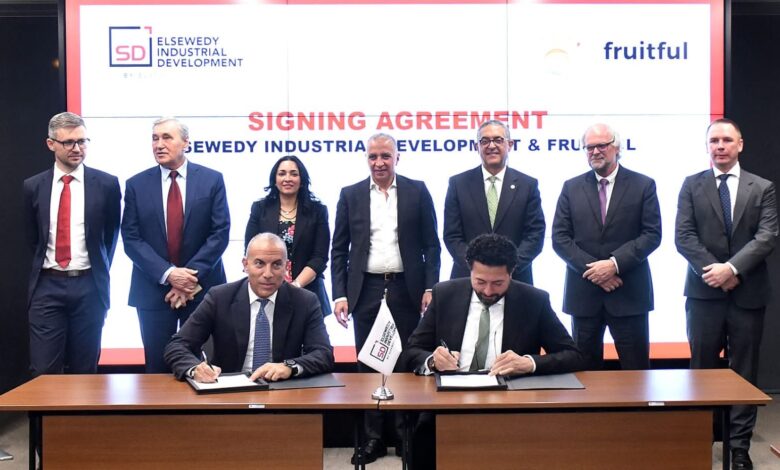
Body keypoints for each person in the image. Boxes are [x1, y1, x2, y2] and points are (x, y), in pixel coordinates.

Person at [403, 233, 584, 468]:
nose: (488, 291)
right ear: (469, 270)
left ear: (511, 273)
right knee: (424, 439)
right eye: (480, 282)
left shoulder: (534, 300)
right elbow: (412, 350)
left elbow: (573, 355)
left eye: (498, 283)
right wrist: (432, 361)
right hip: (449, 403)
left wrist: (529, 363)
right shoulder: (444, 294)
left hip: (510, 404)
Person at [331, 132, 441, 464]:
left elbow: (431, 245)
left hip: (406, 287)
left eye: (385, 156)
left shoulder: (417, 191)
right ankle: (373, 438)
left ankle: (405, 435)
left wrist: (430, 287)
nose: (379, 162)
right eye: (373, 156)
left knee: (405, 361)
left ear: (397, 158)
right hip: (365, 288)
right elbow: (339, 250)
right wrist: (340, 294)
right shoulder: (350, 194)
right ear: (366, 158)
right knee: (369, 363)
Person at [675, 118, 777, 470]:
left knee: (744, 373)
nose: (720, 146)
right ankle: (700, 442)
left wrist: (732, 269)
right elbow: (684, 236)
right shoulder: (691, 185)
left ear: (740, 145)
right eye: (714, 140)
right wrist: (716, 272)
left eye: (727, 140)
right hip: (703, 295)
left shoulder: (762, 187)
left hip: (747, 294)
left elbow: (767, 236)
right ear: (707, 146)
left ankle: (739, 449)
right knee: (702, 370)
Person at [122, 117, 230, 373]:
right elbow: (131, 238)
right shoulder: (136, 184)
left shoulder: (212, 179)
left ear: (186, 143)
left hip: (202, 290)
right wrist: (169, 274)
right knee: (157, 368)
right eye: (155, 138)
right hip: (153, 290)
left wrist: (187, 279)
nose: (159, 144)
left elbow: (220, 233)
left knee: (206, 368)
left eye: (166, 137)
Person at [552, 123, 661, 370]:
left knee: (636, 374)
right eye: (589, 147)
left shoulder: (643, 185)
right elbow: (560, 238)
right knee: (584, 373)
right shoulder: (571, 187)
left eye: (601, 145)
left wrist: (613, 265)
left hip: (628, 292)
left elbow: (651, 235)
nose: (595, 152)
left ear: (617, 147)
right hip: (584, 294)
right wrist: (596, 271)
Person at [24, 111, 121, 375]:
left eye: (82, 141)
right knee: (43, 371)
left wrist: (96, 270)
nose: (77, 148)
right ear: (51, 144)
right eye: (68, 142)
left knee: (85, 369)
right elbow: (32, 239)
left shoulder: (107, 184)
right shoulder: (33, 186)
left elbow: (110, 236)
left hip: (89, 286)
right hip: (47, 285)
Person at [164, 233, 334, 382]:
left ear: (286, 267)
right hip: (229, 391)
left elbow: (323, 353)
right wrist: (195, 369)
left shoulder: (305, 301)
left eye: (276, 264)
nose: (268, 274)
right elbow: (177, 346)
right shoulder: (220, 297)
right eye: (259, 264)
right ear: (245, 265)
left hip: (283, 390)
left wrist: (289, 367)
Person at [444, 119, 545, 284]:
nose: (491, 146)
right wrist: (477, 269)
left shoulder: (528, 185)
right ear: (477, 147)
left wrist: (509, 268)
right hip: (467, 278)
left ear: (510, 145)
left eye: (498, 140)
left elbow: (535, 235)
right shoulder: (458, 183)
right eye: (484, 141)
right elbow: (452, 235)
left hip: (515, 279)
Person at [244, 155, 331, 315]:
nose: (287, 178)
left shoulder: (318, 211)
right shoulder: (260, 208)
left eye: (294, 174)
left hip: (307, 291)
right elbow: (251, 251)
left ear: (302, 179)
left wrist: (295, 286)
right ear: (274, 179)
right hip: (266, 289)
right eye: (282, 173)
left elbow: (319, 258)